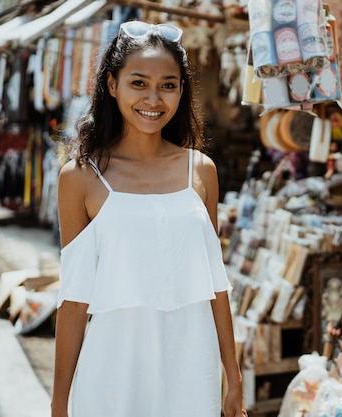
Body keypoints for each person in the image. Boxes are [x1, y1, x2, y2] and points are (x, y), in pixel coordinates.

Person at [51, 21, 246, 417]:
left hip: (192, 370)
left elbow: (216, 285)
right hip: (111, 375)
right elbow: (72, 302)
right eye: (138, 83)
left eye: (168, 85)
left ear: (181, 90)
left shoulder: (201, 170)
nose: (153, 98)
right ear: (111, 84)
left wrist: (234, 382)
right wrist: (58, 406)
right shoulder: (81, 176)